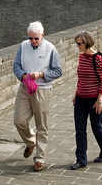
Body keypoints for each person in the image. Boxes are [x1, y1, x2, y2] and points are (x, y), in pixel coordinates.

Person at [12, 21, 63, 173]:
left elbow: (58, 71)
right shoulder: (23, 46)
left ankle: (40, 157)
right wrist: (24, 76)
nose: (33, 41)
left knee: (41, 124)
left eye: (36, 38)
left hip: (42, 89)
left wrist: (41, 74)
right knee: (19, 120)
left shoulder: (50, 49)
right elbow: (16, 66)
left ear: (43, 35)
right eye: (31, 38)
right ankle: (30, 141)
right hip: (25, 87)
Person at [69, 31, 102, 170]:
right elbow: (81, 78)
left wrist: (100, 100)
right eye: (76, 43)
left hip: (95, 99)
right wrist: (76, 94)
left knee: (96, 127)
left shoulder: (98, 58)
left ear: (87, 42)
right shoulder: (82, 57)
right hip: (81, 99)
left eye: (79, 43)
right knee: (80, 130)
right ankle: (81, 159)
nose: (78, 46)